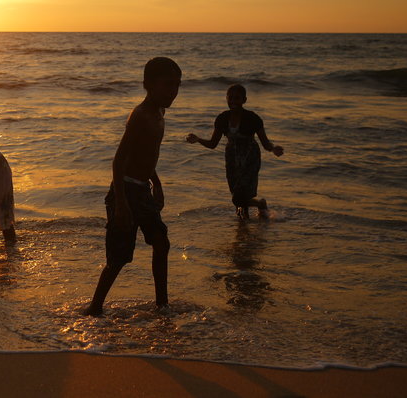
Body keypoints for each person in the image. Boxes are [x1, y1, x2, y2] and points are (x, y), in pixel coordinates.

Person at [85, 57, 182, 316]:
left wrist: (157, 183)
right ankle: (95, 307)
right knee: (119, 257)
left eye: (177, 85)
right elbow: (119, 161)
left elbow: (147, 155)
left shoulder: (160, 113)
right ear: (147, 85)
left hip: (143, 189)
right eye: (167, 85)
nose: (173, 91)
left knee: (161, 242)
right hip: (125, 191)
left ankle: (162, 304)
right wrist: (121, 205)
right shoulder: (140, 115)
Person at [186, 84, 284, 220]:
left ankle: (252, 213)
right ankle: (246, 223)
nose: (233, 101)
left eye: (237, 98)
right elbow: (213, 144)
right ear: (226, 98)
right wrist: (198, 139)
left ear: (244, 100)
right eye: (230, 98)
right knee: (236, 194)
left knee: (240, 196)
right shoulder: (222, 118)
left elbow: (265, 143)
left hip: (250, 157)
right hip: (232, 157)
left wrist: (274, 149)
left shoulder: (253, 118)